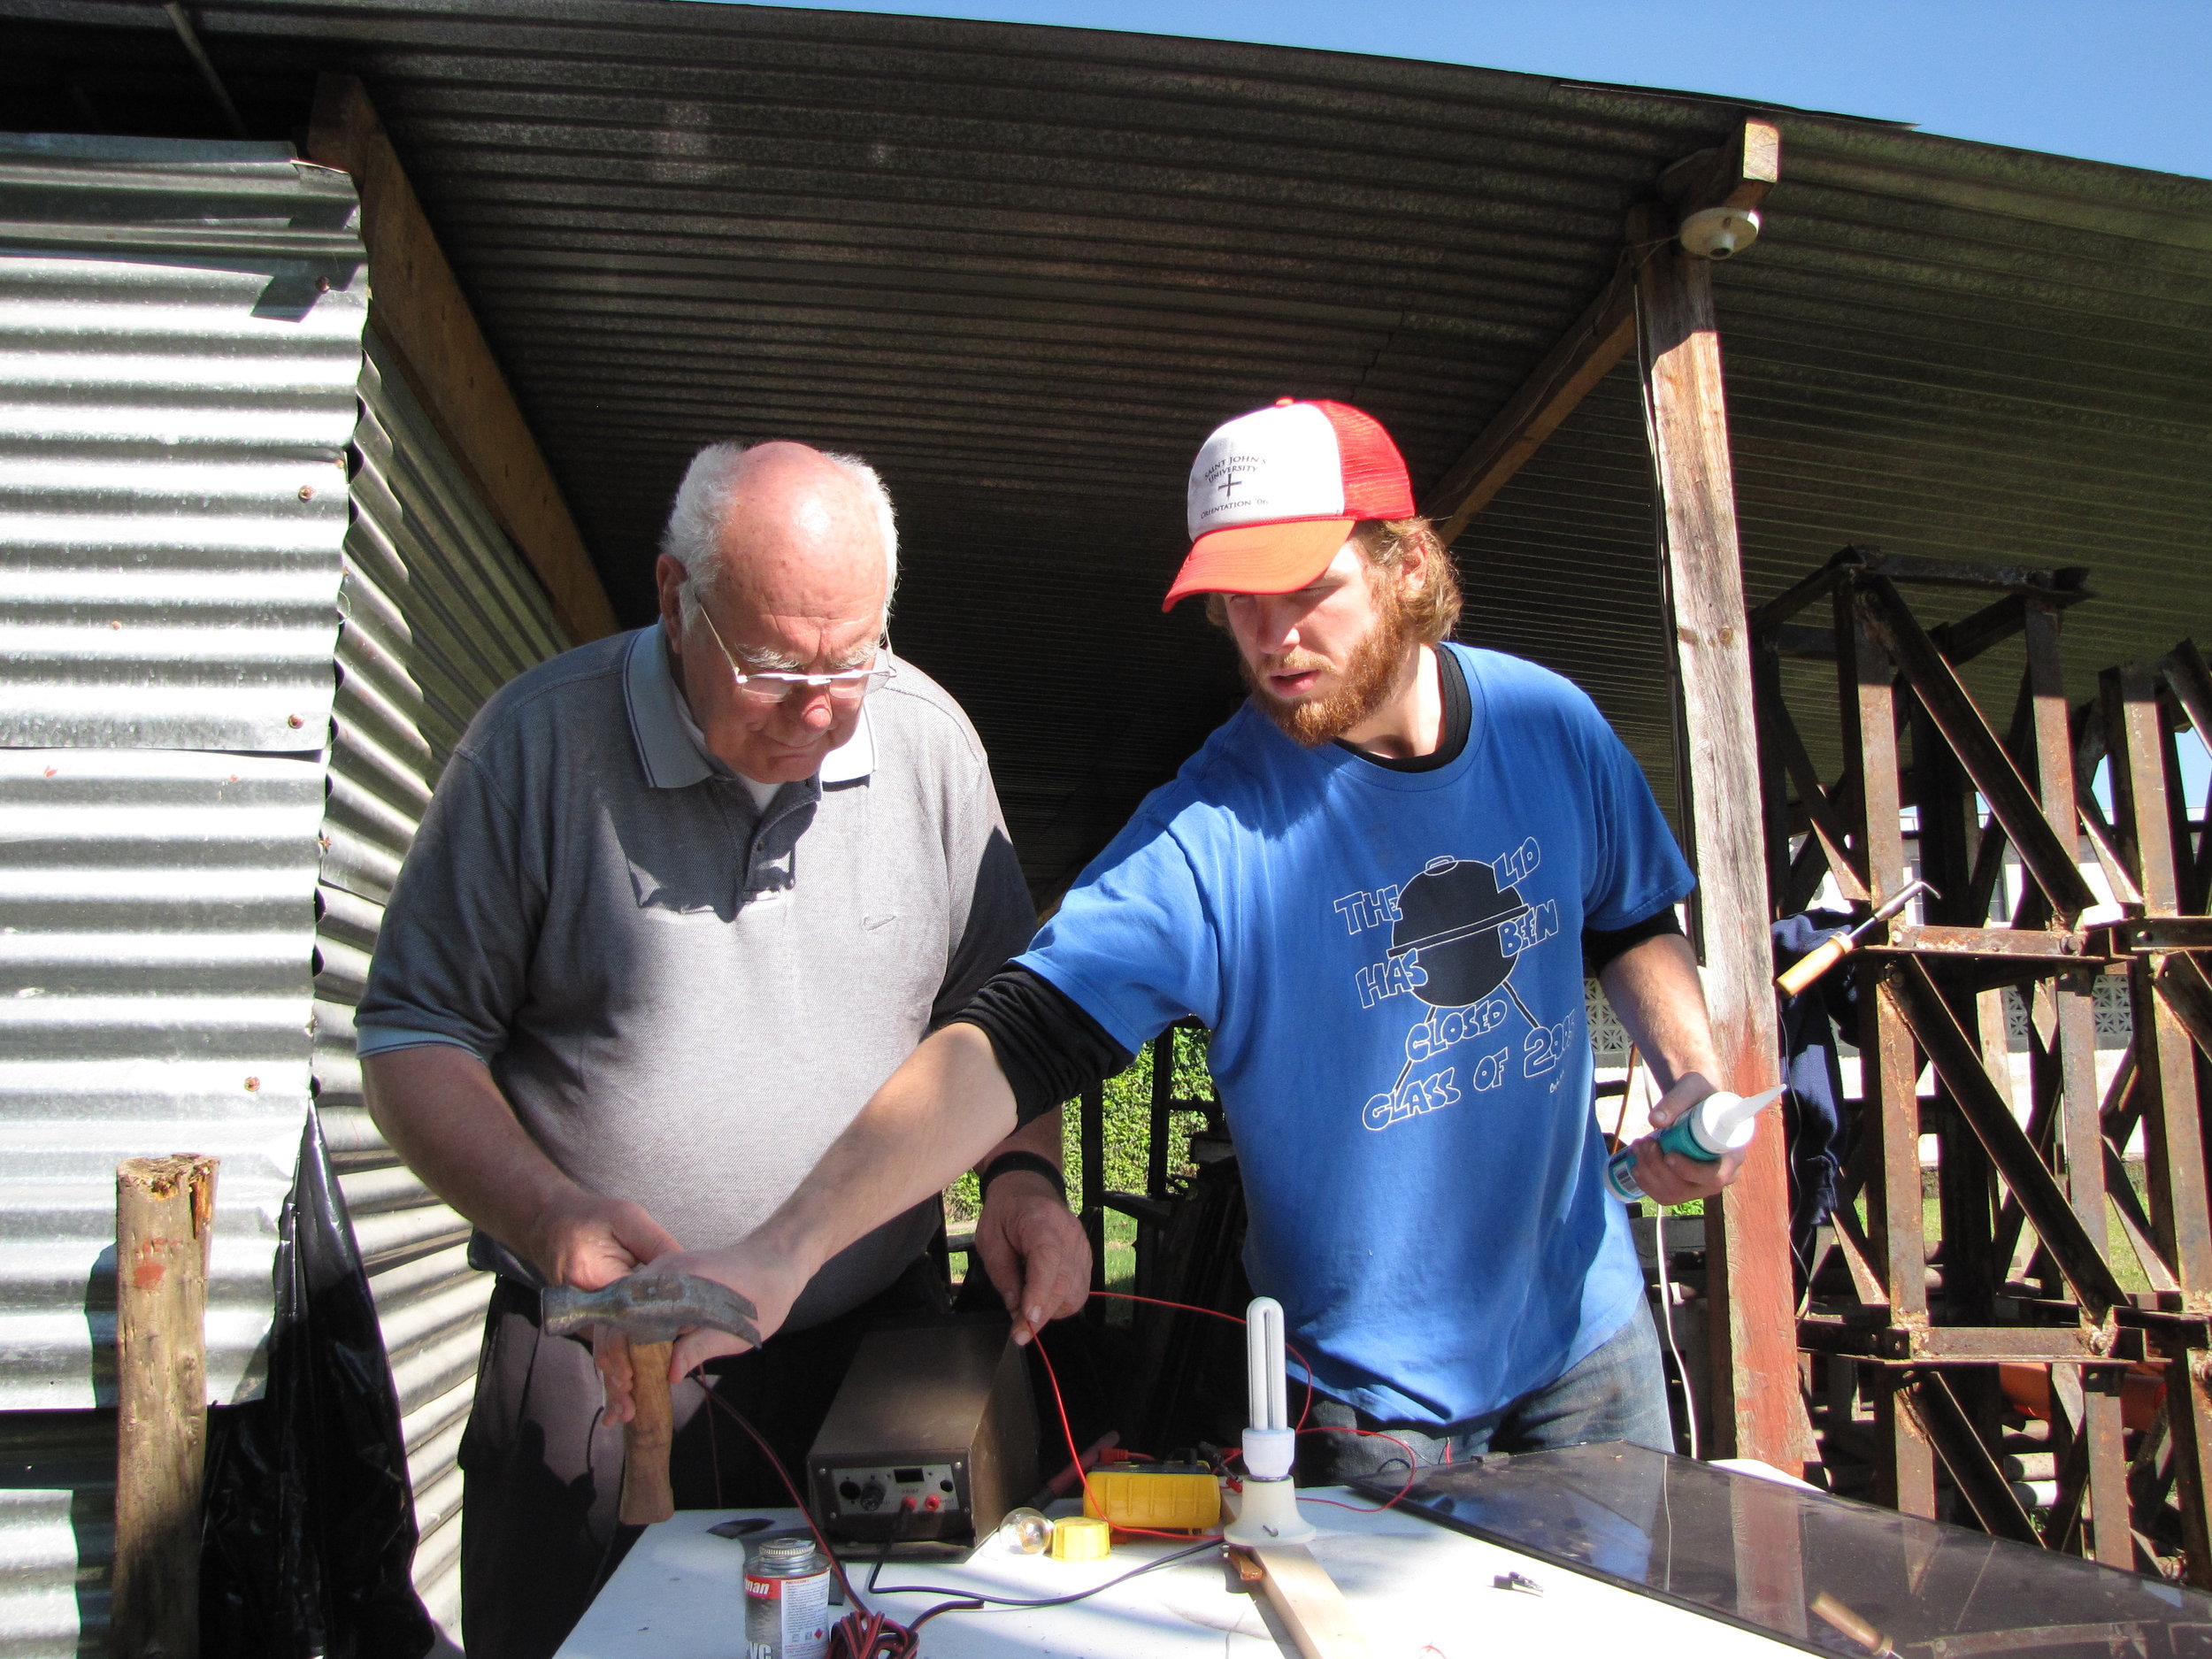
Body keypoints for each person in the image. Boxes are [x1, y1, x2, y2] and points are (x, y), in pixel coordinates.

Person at [629, 400, 1747, 1481]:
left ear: (1406, 564)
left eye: (1305, 590)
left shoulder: (1552, 727)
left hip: (1590, 1340)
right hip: (1371, 1407)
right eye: (1236, 603)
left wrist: (1690, 1075)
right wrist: (786, 1249)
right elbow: (1011, 1041)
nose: (1270, 640)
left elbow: (1626, 916)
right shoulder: (1210, 835)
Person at [355, 440, 1087, 1659]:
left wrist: (1023, 1178)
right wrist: (548, 1215)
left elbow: (1005, 1017)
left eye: (851, 661)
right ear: (670, 595)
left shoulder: (929, 744)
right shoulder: (535, 749)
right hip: (606, 1361)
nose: (817, 710)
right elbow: (411, 1036)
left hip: (873, 1355)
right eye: (771, 666)